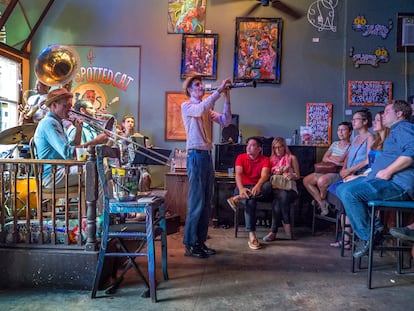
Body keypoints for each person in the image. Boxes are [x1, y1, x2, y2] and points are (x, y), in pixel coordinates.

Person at [336, 100, 414, 258]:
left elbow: (412, 151)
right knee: (342, 188)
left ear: (399, 114)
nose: (383, 115)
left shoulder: (404, 127)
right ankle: (375, 227)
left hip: (397, 185)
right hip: (381, 181)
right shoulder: (395, 131)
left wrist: (388, 171)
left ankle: (369, 235)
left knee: (350, 193)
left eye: (386, 112)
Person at [181, 74, 232, 258]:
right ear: (189, 90)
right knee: (196, 202)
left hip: (206, 156)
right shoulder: (187, 106)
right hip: (195, 156)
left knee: (206, 202)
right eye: (197, 85)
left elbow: (226, 121)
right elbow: (201, 107)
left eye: (202, 84)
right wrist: (218, 90)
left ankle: (200, 242)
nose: (201, 87)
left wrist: (226, 97)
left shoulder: (207, 110)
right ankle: (190, 243)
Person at [330, 111, 390, 249]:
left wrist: (354, 173)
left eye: (356, 119)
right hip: (362, 175)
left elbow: (370, 163)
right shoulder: (371, 140)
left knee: (346, 193)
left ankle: (367, 233)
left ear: (364, 122)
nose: (353, 122)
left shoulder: (372, 138)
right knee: (338, 191)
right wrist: (345, 170)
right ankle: (353, 236)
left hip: (367, 177)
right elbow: (353, 158)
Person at [33, 88, 109, 188]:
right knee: (99, 169)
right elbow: (68, 153)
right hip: (52, 175)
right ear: (54, 105)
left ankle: (93, 203)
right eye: (66, 106)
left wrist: (79, 129)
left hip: (60, 170)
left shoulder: (57, 122)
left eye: (70, 106)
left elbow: (72, 147)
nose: (69, 110)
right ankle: (104, 204)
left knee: (99, 167)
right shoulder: (49, 123)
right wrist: (95, 142)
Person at [227, 136, 272, 250]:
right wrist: (241, 189)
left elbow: (265, 176)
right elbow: (238, 174)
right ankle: (252, 236)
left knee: (268, 186)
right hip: (243, 188)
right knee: (250, 201)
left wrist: (257, 185)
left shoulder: (265, 159)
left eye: (252, 145)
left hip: (258, 188)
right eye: (248, 145)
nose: (249, 148)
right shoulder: (240, 157)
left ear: (259, 149)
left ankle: (236, 198)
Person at [303, 122, 352, 216]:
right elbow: (324, 158)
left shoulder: (351, 146)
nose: (340, 132)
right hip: (326, 170)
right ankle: (322, 203)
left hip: (338, 172)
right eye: (339, 130)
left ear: (350, 132)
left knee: (321, 181)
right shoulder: (334, 144)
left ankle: (320, 199)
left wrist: (333, 159)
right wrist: (337, 160)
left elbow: (344, 161)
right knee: (306, 180)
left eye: (343, 130)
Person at [262, 137, 300, 241]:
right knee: (280, 196)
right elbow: (267, 177)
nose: (277, 150)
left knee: (278, 200)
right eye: (275, 148)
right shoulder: (270, 160)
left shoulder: (292, 158)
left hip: (290, 189)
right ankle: (286, 222)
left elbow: (298, 175)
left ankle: (273, 232)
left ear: (284, 147)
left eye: (279, 147)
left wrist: (291, 175)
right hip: (276, 189)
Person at [119, 115, 151, 192]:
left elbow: (142, 149)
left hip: (138, 163)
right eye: (128, 121)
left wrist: (147, 147)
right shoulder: (120, 136)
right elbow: (119, 151)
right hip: (125, 163)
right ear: (123, 124)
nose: (130, 123)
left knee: (145, 175)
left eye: (132, 122)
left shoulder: (137, 136)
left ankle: (144, 193)